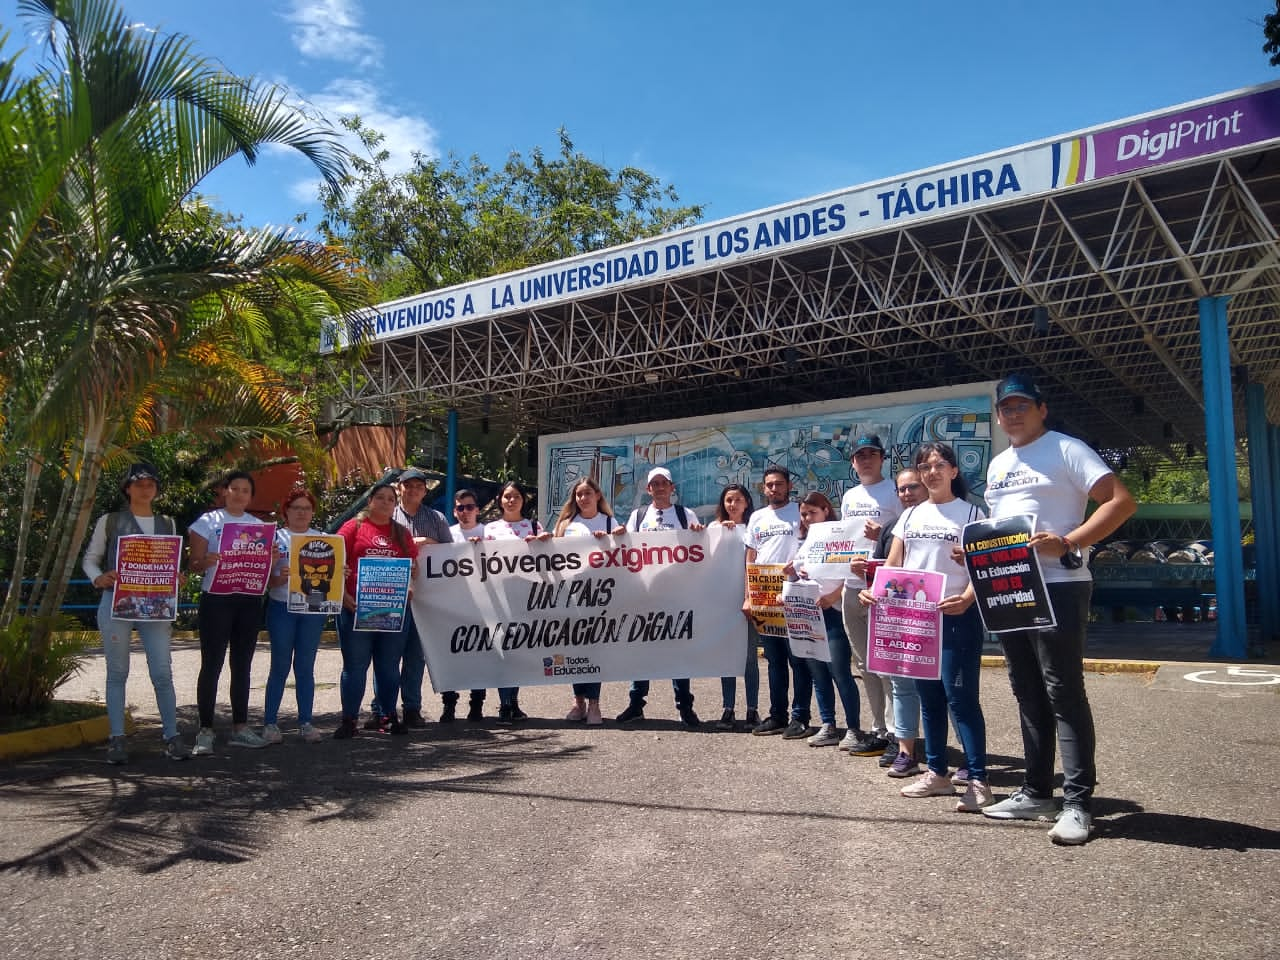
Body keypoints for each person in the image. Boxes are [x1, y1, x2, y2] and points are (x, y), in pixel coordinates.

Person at [979, 373, 1136, 844]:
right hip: (1010, 588)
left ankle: (1078, 803)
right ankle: (1035, 791)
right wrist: (976, 555)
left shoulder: (1067, 449)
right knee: (1027, 692)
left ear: (1042, 409)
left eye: (1022, 405)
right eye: (1006, 407)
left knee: (1063, 693)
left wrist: (1069, 541)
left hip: (1061, 585)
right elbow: (1000, 529)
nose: (1013, 413)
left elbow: (1121, 502)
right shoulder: (999, 464)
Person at [862, 442, 992, 812]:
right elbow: (894, 561)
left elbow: (981, 567)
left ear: (953, 471)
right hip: (916, 620)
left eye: (939, 465)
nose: (931, 472)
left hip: (956, 617)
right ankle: (936, 773)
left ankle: (979, 780)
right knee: (930, 701)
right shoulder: (911, 516)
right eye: (924, 466)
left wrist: (967, 597)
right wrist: (875, 591)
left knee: (961, 699)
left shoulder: (971, 514)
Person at [82, 462, 189, 763]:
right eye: (139, 483)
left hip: (155, 606)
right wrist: (97, 578)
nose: (145, 488)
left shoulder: (167, 523)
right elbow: (90, 559)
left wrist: (176, 577)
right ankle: (117, 738)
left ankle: (171, 735)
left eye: (151, 483)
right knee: (117, 672)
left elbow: (169, 563)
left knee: (162, 672)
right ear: (127, 488)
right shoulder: (110, 521)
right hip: (116, 604)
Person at [188, 470, 274, 754]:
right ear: (224, 491)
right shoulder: (207, 522)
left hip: (248, 599)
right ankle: (205, 730)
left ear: (251, 496)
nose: (239, 494)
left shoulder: (258, 526)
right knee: (212, 664)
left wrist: (269, 557)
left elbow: (266, 565)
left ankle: (240, 727)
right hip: (216, 598)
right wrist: (206, 560)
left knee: (243, 665)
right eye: (234, 489)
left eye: (245, 491)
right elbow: (194, 564)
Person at [612, 466, 705, 727]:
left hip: (677, 594)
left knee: (678, 651)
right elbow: (625, 549)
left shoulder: (685, 515)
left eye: (664, 483)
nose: (660, 487)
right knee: (642, 651)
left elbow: (701, 547)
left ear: (672, 487)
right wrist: (619, 535)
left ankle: (685, 706)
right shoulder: (638, 516)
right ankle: (636, 704)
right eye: (655, 484)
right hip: (645, 593)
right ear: (648, 489)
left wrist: (700, 533)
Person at [364, 467, 451, 729]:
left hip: (425, 598)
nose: (413, 490)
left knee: (415, 656)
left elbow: (452, 553)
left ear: (425, 491)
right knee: (385, 657)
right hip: (388, 596)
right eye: (408, 485)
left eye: (419, 486)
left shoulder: (436, 518)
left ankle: (412, 707)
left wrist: (427, 542)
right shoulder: (387, 516)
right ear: (399, 488)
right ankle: (381, 709)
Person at [333, 479, 420, 738]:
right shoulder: (352, 527)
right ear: (369, 501)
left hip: (393, 610)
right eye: (379, 497)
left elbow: (413, 566)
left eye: (390, 499)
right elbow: (334, 564)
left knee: (389, 666)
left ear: (395, 505)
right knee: (355, 666)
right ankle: (349, 719)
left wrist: (410, 581)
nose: (385, 502)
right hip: (356, 608)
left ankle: (387, 716)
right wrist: (343, 595)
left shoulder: (402, 534)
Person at [839, 434, 903, 757]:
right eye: (859, 455)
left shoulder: (894, 490)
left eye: (871, 454)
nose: (865, 460)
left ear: (882, 458)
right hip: (852, 587)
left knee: (887, 662)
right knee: (865, 663)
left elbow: (906, 535)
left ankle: (897, 732)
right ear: (853, 462)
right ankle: (878, 728)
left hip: (882, 587)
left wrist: (883, 536)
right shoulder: (849, 497)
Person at [785, 491, 862, 749]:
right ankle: (828, 724)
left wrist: (833, 595)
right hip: (807, 613)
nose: (807, 518)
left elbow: (850, 572)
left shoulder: (841, 535)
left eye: (812, 513)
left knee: (840, 672)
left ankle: (853, 728)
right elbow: (798, 577)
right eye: (804, 514)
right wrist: (791, 576)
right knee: (818, 672)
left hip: (833, 612)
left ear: (826, 510)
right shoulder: (805, 541)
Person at [744, 466, 809, 739]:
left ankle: (801, 716)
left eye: (779, 484)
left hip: (795, 595)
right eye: (769, 485)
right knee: (774, 660)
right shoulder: (757, 517)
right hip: (765, 597)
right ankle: (777, 715)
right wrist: (748, 596)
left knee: (799, 660)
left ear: (789, 486)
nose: (774, 489)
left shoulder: (800, 514)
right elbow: (750, 557)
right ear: (763, 488)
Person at [261, 488, 327, 744]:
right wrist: (278, 575)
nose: (302, 513)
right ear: (286, 511)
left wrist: (339, 572)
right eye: (296, 508)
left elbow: (330, 580)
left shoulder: (323, 539)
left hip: (312, 609)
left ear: (312, 512)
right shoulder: (275, 539)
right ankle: (270, 723)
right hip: (281, 607)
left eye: (307, 508)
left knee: (305, 667)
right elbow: (265, 582)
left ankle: (306, 722)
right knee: (279, 666)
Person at [484, 480, 551, 721]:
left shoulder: (533, 526)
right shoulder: (489, 529)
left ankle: (514, 699)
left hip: (526, 597)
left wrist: (545, 542)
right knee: (504, 651)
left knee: (520, 650)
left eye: (516, 496)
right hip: (499, 598)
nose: (511, 501)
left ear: (523, 500)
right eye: (506, 496)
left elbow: (546, 558)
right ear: (499, 500)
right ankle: (504, 703)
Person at [875, 468, 928, 774]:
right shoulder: (897, 525)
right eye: (902, 490)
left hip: (938, 612)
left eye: (913, 487)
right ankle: (906, 751)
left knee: (945, 689)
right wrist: (870, 584)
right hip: (900, 615)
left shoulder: (956, 514)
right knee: (902, 685)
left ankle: (963, 758)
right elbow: (889, 566)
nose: (907, 494)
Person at [553, 477, 615, 725]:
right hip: (572, 595)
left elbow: (624, 552)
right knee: (575, 647)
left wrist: (615, 539)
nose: (583, 498)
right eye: (579, 494)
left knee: (595, 649)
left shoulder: (609, 522)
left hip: (601, 594)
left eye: (588, 493)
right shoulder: (566, 525)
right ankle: (578, 702)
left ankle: (594, 704)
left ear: (598, 495)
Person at [710, 483, 760, 731]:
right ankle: (728, 708)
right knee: (727, 657)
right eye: (728, 500)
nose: (733, 504)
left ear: (747, 503)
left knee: (750, 658)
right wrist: (719, 534)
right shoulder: (714, 528)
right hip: (723, 601)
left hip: (749, 600)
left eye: (738, 500)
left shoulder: (754, 528)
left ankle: (752, 710)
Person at [444, 487, 488, 722]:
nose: (465, 511)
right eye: (460, 508)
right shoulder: (446, 535)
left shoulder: (489, 532)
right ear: (454, 511)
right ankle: (449, 705)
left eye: (469, 507)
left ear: (477, 510)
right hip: (452, 605)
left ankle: (476, 705)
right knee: (450, 657)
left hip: (482, 605)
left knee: (479, 657)